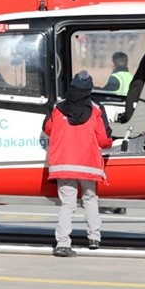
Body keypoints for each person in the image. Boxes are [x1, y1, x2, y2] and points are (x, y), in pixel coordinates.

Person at [43, 71, 113, 257]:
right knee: (90, 199)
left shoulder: (57, 108)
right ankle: (94, 238)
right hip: (88, 164)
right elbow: (104, 140)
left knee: (67, 204)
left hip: (63, 164)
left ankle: (63, 244)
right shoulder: (96, 110)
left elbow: (48, 129)